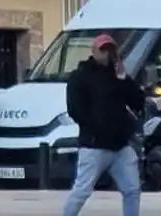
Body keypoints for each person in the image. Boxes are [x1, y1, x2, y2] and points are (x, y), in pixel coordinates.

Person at [61, 33, 147, 216]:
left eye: (110, 50)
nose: (107, 54)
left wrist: (125, 80)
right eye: (103, 50)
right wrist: (95, 128)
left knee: (132, 189)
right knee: (82, 191)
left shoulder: (117, 75)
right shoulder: (81, 76)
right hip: (94, 145)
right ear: (93, 51)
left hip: (120, 145)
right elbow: (75, 109)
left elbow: (137, 102)